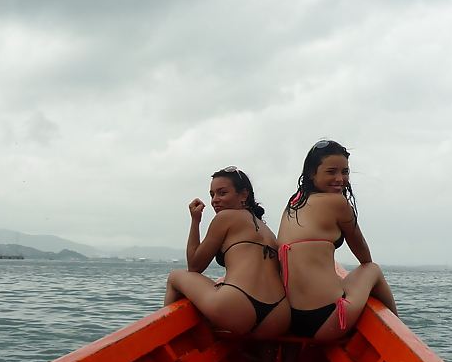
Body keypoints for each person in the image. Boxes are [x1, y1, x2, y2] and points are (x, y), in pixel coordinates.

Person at [277, 139, 398, 339]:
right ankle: (397, 330)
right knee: (372, 269)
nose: (340, 178)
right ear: (311, 173)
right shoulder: (337, 202)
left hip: (292, 320)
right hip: (327, 318)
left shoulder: (294, 202)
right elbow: (364, 256)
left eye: (345, 172)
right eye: (331, 172)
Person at [164, 167, 290, 340]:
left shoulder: (226, 217)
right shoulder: (266, 229)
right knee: (264, 355)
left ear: (243, 195)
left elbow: (194, 266)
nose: (215, 200)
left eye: (222, 193)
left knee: (175, 276)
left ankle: (174, 341)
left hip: (237, 306)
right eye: (212, 195)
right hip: (279, 315)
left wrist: (195, 221)